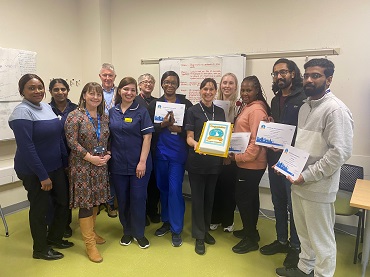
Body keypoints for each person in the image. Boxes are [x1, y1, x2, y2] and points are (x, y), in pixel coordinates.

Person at [276, 59, 353, 277]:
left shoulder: (335, 110)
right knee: (304, 235)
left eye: (316, 76)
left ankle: (322, 274)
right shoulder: (304, 107)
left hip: (318, 187)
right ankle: (304, 269)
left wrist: (307, 175)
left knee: (322, 240)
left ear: (329, 79)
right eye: (307, 75)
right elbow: (303, 147)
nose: (309, 80)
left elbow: (339, 153)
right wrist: (286, 166)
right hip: (298, 184)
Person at [8, 74, 73, 260]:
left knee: (63, 202)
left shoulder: (46, 107)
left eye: (39, 87)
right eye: (31, 88)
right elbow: (27, 148)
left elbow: (57, 136)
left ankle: (54, 238)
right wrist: (43, 176)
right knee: (40, 209)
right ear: (22, 91)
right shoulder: (21, 113)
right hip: (34, 170)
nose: (37, 91)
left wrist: (65, 163)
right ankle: (40, 249)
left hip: (56, 166)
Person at [259, 59, 306, 269]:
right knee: (278, 202)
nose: (279, 76)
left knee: (293, 206)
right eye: (276, 73)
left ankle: (296, 247)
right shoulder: (276, 99)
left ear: (293, 74)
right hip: (274, 159)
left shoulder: (304, 98)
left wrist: (287, 145)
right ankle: (281, 241)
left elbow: (306, 134)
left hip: (293, 162)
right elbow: (280, 128)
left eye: (283, 72)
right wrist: (271, 127)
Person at [65, 82, 110, 263]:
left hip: (100, 165)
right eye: (91, 94)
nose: (95, 97)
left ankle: (92, 232)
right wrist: (89, 157)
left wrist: (108, 154)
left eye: (98, 94)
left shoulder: (104, 117)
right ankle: (89, 244)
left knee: (96, 201)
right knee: (85, 203)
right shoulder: (74, 116)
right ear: (84, 95)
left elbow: (108, 139)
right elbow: (71, 142)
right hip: (82, 166)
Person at [148, 71, 193, 247]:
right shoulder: (154, 104)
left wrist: (178, 128)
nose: (170, 85)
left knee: (175, 190)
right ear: (162, 84)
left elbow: (190, 127)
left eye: (173, 82)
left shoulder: (186, 104)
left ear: (178, 84)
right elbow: (149, 128)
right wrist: (163, 125)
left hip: (177, 155)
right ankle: (166, 221)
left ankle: (176, 229)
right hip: (160, 154)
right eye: (166, 82)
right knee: (163, 189)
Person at [109, 77, 154, 249]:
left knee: (138, 199)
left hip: (139, 165)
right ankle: (127, 231)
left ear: (136, 92)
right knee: (123, 199)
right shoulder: (113, 112)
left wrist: (142, 162)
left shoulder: (141, 111)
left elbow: (147, 137)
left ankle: (139, 233)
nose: (129, 93)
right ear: (120, 90)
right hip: (118, 165)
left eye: (133, 90)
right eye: (126, 89)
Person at [229, 75, 271, 254]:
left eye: (249, 90)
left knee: (244, 200)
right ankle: (250, 232)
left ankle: (250, 239)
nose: (245, 93)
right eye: (243, 90)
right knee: (250, 199)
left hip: (251, 164)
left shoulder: (256, 110)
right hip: (248, 163)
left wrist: (239, 158)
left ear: (257, 91)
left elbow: (256, 141)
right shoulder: (249, 107)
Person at [185, 78, 225, 255]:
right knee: (198, 199)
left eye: (211, 89)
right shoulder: (192, 111)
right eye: (205, 89)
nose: (208, 92)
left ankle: (206, 229)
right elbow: (189, 137)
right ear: (200, 91)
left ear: (215, 92)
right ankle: (199, 236)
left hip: (214, 162)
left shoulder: (220, 111)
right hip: (197, 162)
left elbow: (223, 135)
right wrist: (197, 146)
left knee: (210, 198)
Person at [48, 78, 78, 238]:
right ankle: (52, 225)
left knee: (66, 194)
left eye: (63, 89)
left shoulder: (75, 109)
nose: (60, 92)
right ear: (51, 92)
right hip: (53, 157)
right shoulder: (45, 109)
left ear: (67, 90)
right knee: (54, 195)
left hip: (72, 156)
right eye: (56, 89)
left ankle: (65, 225)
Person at [210, 73, 238, 233]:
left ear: (236, 86)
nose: (227, 86)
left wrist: (228, 154)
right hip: (214, 152)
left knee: (228, 189)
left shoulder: (240, 106)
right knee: (215, 188)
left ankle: (228, 220)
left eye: (231, 83)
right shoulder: (213, 104)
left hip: (231, 154)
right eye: (224, 83)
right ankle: (214, 219)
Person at [136, 73, 160, 225]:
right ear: (139, 85)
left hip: (156, 145)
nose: (148, 84)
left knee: (154, 182)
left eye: (151, 82)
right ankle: (142, 212)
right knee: (141, 182)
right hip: (139, 146)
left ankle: (153, 210)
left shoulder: (158, 102)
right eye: (145, 81)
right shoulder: (135, 101)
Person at [98, 62, 118, 218]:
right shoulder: (94, 92)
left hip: (115, 135)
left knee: (112, 171)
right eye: (104, 75)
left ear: (115, 77)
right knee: (98, 169)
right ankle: (97, 202)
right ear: (100, 76)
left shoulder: (120, 93)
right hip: (97, 136)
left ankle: (110, 203)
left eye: (110, 75)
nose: (107, 78)